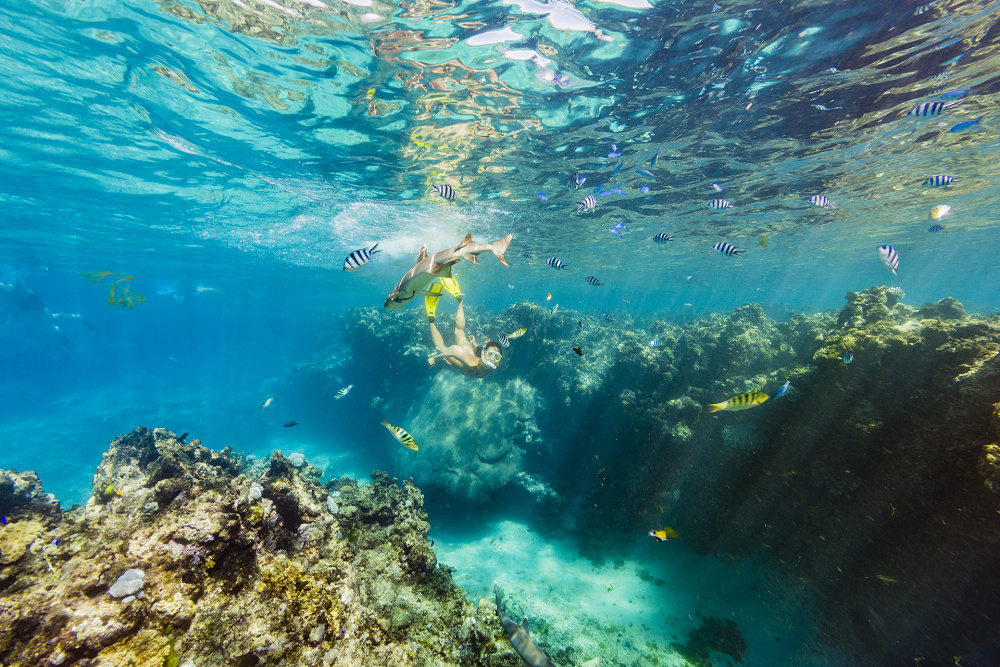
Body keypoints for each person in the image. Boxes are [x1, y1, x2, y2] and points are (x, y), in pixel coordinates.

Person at [425, 277, 501, 378]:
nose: (492, 358)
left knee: (460, 331)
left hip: (468, 351)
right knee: (440, 347)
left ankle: (460, 301)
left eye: (496, 356)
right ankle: (431, 321)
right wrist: (435, 358)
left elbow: (481, 350)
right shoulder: (471, 363)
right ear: (484, 354)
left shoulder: (495, 364)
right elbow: (454, 351)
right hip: (459, 356)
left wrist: (474, 344)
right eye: (490, 354)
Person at [0, 271, 73, 347]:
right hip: (24, 301)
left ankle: (70, 320)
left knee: (49, 317)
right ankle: (60, 332)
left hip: (29, 299)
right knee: (46, 319)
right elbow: (11, 292)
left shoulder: (10, 277)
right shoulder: (7, 278)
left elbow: (9, 289)